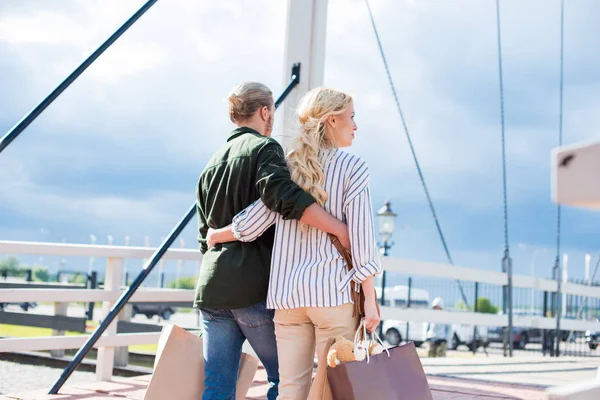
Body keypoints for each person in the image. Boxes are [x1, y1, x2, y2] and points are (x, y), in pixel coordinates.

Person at [207, 87, 382, 399]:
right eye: (351, 117)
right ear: (331, 120)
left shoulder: (289, 165)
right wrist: (370, 298)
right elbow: (361, 240)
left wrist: (216, 235)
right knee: (332, 387)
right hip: (332, 293)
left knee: (289, 388)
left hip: (287, 297)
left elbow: (252, 222)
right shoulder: (353, 167)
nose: (356, 126)